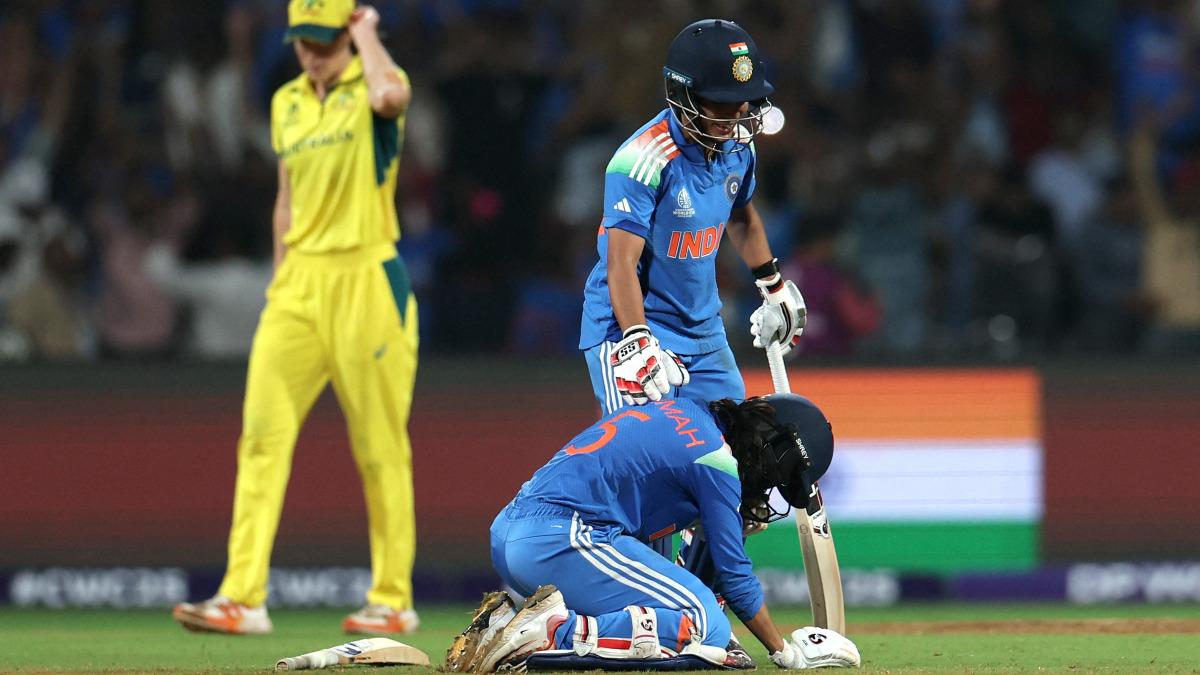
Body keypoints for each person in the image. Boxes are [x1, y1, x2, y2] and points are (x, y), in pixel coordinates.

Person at [172, 0, 420, 635]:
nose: (311, 54)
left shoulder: (374, 82)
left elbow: (392, 95)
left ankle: (392, 599)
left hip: (367, 276)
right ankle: (242, 597)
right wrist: (281, 277)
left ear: (349, 33)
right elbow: (286, 197)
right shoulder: (286, 101)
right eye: (302, 42)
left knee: (379, 444)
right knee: (260, 437)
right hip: (298, 286)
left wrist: (367, 34)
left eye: (323, 40)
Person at [445, 393, 860, 673]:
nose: (767, 488)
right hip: (565, 537)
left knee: (691, 619)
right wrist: (785, 653)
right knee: (706, 625)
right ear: (771, 448)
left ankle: (506, 623)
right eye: (774, 477)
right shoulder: (717, 462)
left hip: (514, 532)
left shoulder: (686, 410)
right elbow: (736, 577)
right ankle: (552, 633)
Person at [579, 19, 806, 415]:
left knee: (735, 448)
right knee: (642, 449)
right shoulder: (640, 160)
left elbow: (742, 218)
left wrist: (774, 288)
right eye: (721, 104)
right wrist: (636, 339)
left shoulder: (738, 147)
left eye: (743, 103)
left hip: (703, 333)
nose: (736, 118)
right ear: (682, 95)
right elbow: (621, 263)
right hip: (632, 328)